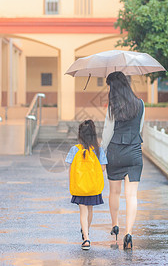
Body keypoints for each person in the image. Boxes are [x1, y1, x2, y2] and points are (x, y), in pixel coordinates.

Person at [101, 71, 145, 250]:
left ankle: (115, 225)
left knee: (114, 192)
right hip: (134, 151)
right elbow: (140, 128)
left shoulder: (112, 106)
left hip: (116, 153)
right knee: (132, 195)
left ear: (114, 87)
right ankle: (129, 233)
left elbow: (107, 132)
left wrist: (102, 154)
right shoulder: (140, 104)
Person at [65, 120, 107, 250]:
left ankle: (86, 239)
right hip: (93, 187)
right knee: (90, 210)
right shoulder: (99, 150)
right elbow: (103, 168)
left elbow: (71, 170)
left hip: (80, 187)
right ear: (94, 134)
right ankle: (86, 232)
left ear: (80, 135)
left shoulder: (74, 149)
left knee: (82, 211)